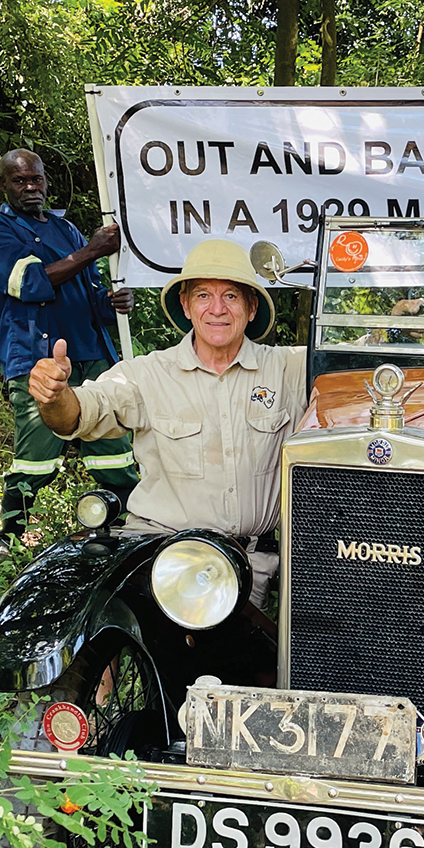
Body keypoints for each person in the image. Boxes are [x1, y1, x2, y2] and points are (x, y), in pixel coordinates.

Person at [28, 238, 307, 607]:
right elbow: (79, 413)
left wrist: (398, 330)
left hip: (246, 562)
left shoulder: (290, 368)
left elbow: (360, 371)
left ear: (252, 308)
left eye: (232, 297)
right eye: (204, 295)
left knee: (243, 661)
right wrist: (55, 395)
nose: (217, 309)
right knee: (109, 636)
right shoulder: (146, 374)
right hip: (160, 550)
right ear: (186, 305)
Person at [0, 148, 139, 550]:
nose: (30, 187)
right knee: (36, 456)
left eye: (36, 179)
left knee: (113, 453)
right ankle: (9, 535)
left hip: (92, 354)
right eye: (20, 180)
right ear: (4, 185)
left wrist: (111, 303)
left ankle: (134, 525)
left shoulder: (67, 231)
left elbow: (88, 294)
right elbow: (29, 284)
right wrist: (92, 251)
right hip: (38, 359)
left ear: (46, 181)